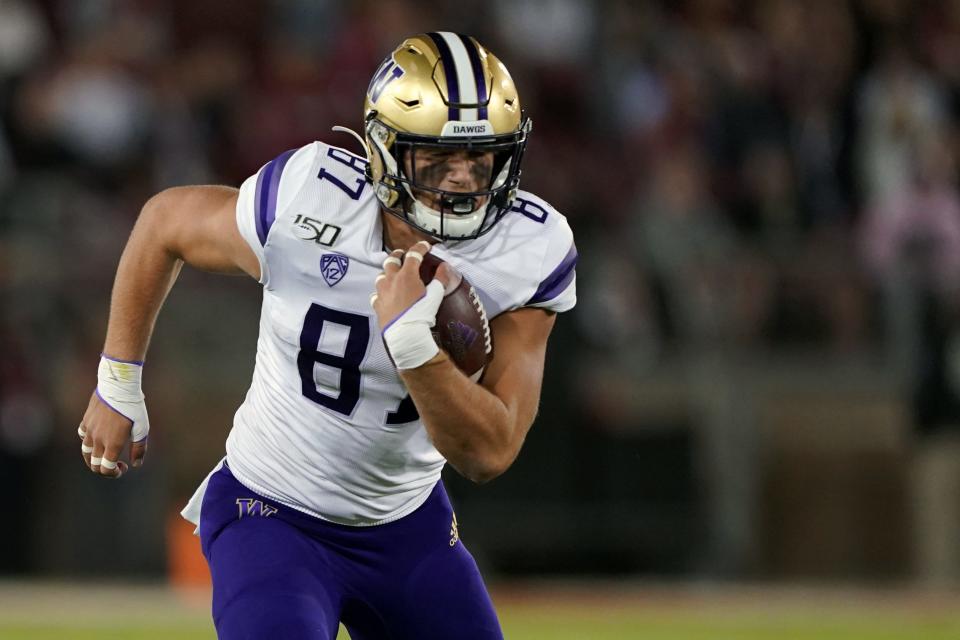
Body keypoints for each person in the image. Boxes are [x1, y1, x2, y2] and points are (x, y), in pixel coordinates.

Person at [77, 32, 576, 639]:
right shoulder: (310, 198)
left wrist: (415, 348)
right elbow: (165, 222)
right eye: (437, 159)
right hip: (271, 512)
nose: (463, 181)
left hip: (406, 525)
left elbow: (488, 453)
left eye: (481, 157)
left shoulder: (529, 246)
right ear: (385, 153)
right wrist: (116, 382)